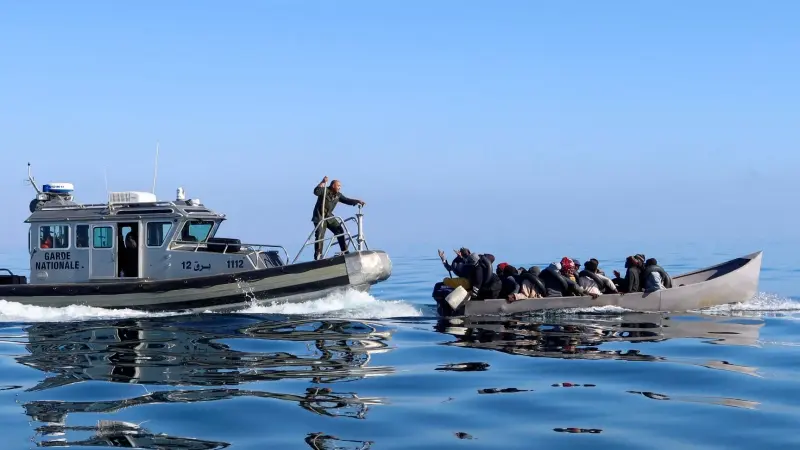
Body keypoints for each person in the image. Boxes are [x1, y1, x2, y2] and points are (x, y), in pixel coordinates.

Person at [311, 176, 365, 260]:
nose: (339, 187)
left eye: (340, 186)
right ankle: (318, 255)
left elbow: (347, 200)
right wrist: (322, 182)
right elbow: (316, 192)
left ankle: (345, 251)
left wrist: (357, 201)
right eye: (338, 186)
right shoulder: (324, 190)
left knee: (340, 230)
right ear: (333, 186)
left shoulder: (338, 195)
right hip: (320, 216)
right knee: (320, 235)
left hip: (329, 216)